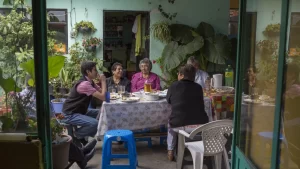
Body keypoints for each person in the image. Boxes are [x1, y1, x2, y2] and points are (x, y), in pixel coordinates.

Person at [166, 64, 209, 161]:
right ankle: (205, 149)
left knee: (170, 125)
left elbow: (168, 100)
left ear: (181, 75)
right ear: (193, 77)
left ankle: (170, 150)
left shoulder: (173, 86)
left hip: (178, 125)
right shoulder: (198, 88)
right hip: (199, 126)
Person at [61, 61, 107, 144]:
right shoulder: (85, 84)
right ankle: (77, 135)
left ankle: (85, 134)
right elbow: (103, 97)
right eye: (94, 70)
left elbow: (103, 93)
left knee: (103, 112)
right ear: (88, 72)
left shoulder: (90, 82)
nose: (96, 71)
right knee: (95, 124)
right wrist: (103, 81)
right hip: (70, 113)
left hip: (80, 110)